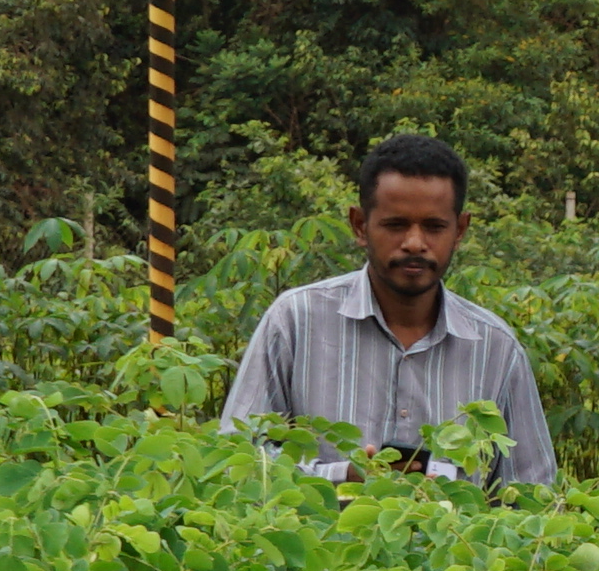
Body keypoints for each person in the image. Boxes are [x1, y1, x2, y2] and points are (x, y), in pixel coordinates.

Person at [214, 133, 560, 487]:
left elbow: (532, 491)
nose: (414, 243)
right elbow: (235, 459)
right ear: (360, 226)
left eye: (434, 226)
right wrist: (339, 479)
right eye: (395, 225)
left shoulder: (495, 348)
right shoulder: (296, 320)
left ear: (460, 230)